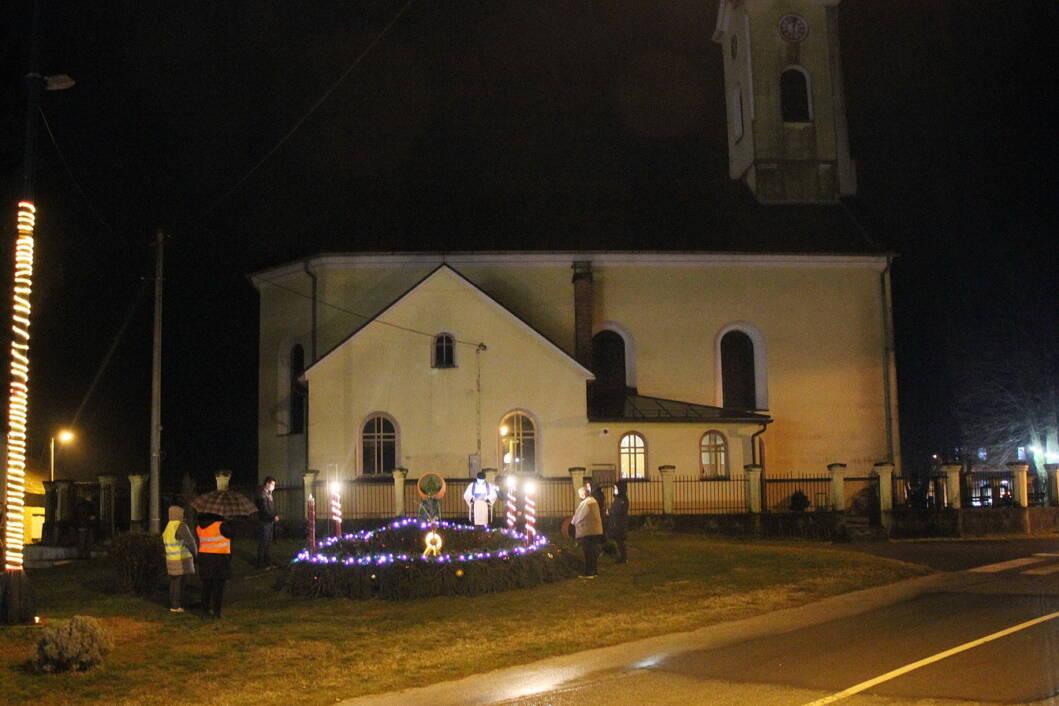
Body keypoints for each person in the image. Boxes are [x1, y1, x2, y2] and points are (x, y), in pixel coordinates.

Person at [196, 513, 233, 618]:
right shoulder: (221, 526)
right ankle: (217, 611)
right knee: (218, 588)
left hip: (205, 560)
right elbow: (231, 533)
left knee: (206, 587)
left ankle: (204, 611)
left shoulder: (199, 527)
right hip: (220, 560)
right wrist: (229, 522)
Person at [162, 505, 197, 613]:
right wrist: (195, 553)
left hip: (170, 558)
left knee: (174, 581)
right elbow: (190, 542)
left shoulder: (168, 526)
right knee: (179, 582)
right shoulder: (180, 526)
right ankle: (176, 605)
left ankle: (173, 603)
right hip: (180, 559)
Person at [572, 485, 603, 578]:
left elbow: (579, 516)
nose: (579, 495)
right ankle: (594, 571)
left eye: (580, 494)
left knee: (588, 552)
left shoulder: (587, 503)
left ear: (584, 493)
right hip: (594, 530)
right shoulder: (592, 501)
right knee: (592, 552)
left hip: (588, 531)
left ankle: (590, 572)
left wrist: (573, 523)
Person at [255, 476, 280, 568]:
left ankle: (267, 561)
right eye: (272, 484)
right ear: (267, 484)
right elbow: (264, 509)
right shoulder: (262, 495)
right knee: (263, 542)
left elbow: (272, 508)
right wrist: (273, 516)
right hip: (264, 522)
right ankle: (260, 563)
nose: (273, 486)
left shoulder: (269, 494)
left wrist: (275, 515)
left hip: (269, 521)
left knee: (268, 542)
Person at [607, 481, 629, 563]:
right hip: (616, 522)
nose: (614, 490)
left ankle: (624, 558)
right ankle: (622, 557)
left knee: (620, 541)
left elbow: (620, 510)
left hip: (619, 523)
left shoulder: (623, 499)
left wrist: (610, 511)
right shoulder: (618, 498)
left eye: (616, 488)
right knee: (617, 540)